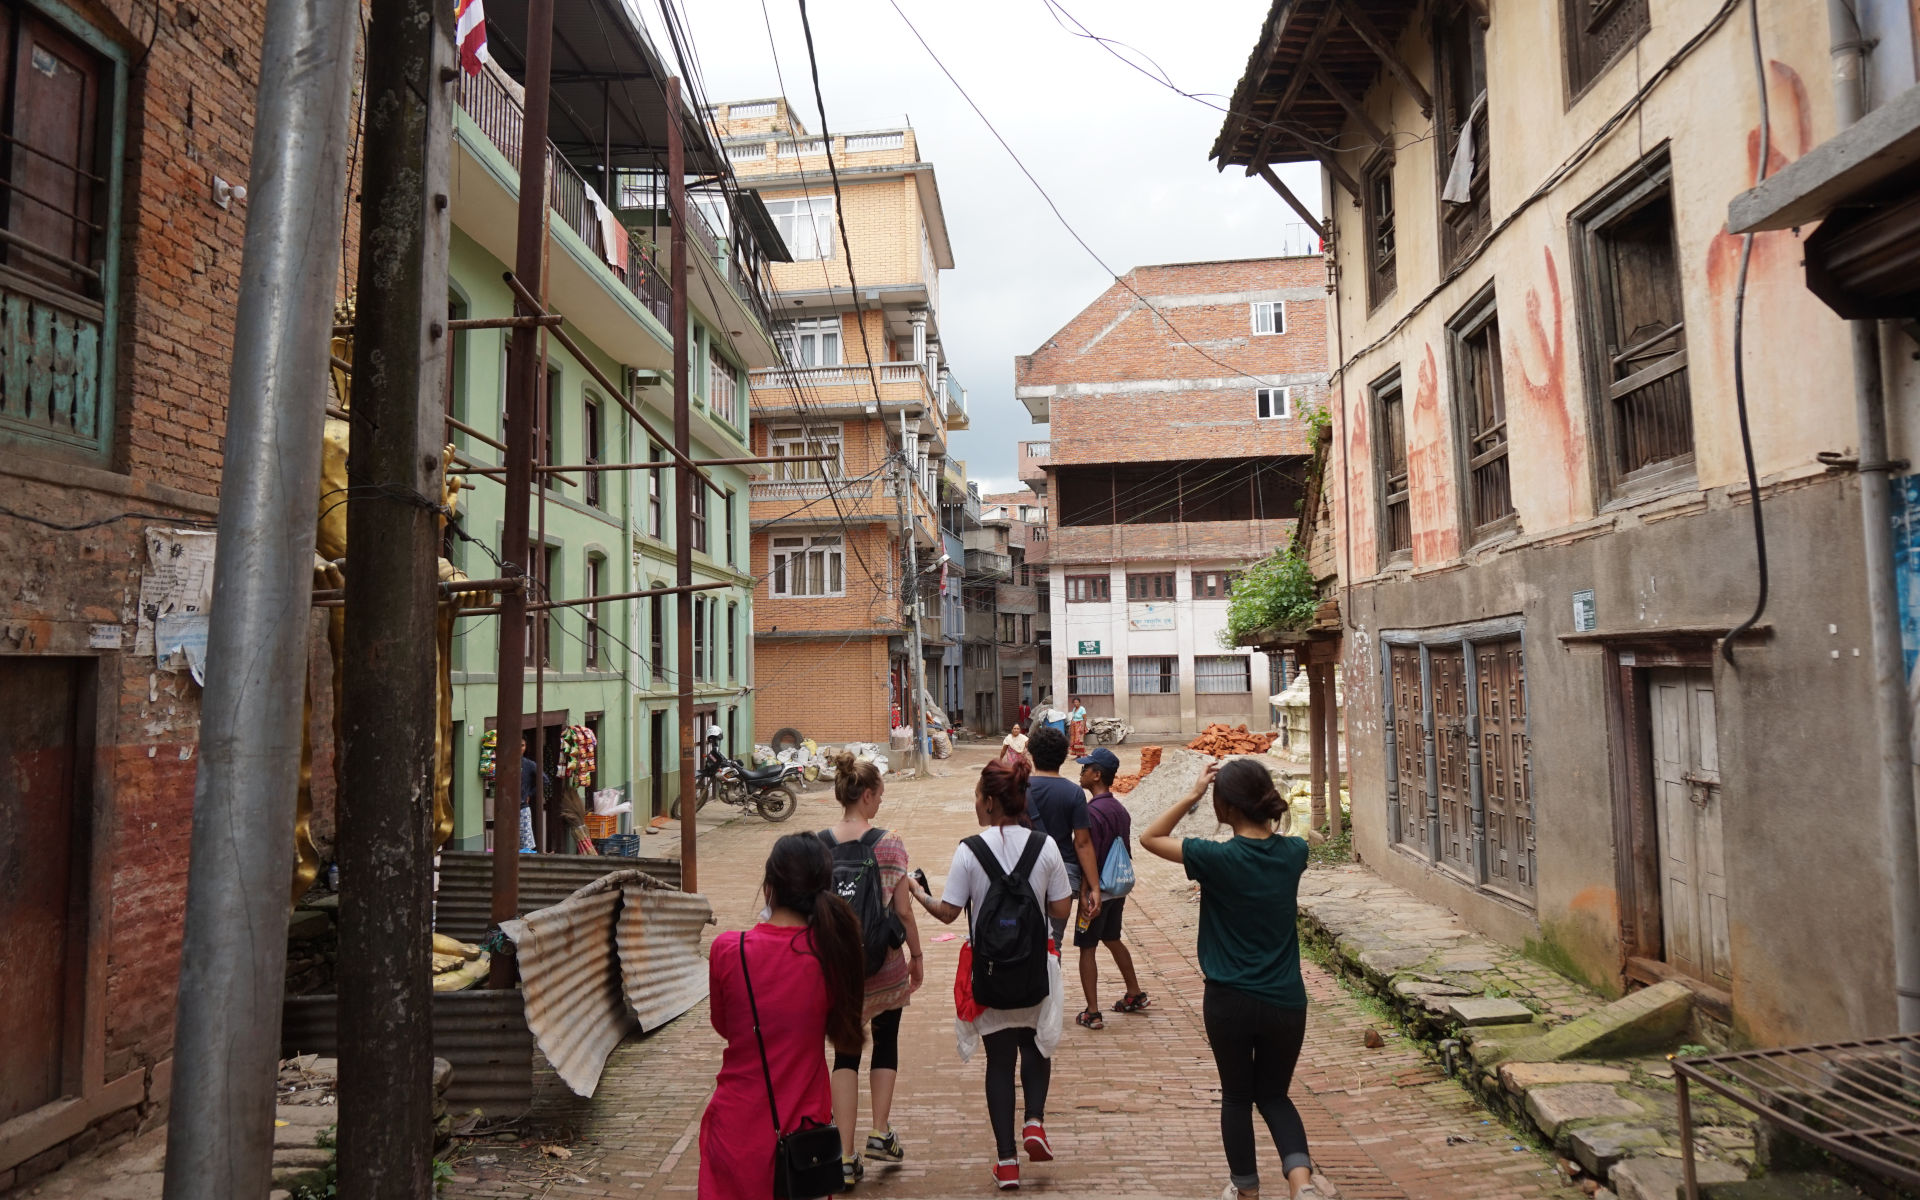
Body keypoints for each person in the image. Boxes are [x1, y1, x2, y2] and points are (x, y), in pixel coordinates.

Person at [1140, 759, 1325, 1200]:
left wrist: (1192, 795)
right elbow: (1293, 837)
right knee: (1276, 1096)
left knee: (1238, 1096)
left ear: (1226, 805)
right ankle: (1303, 1185)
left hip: (1229, 1000)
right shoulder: (1293, 854)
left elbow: (1149, 838)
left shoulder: (1214, 856)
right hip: (1285, 999)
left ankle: (1247, 1191)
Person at [909, 757, 1071, 1191]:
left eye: (978, 797)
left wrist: (918, 892)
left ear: (989, 802)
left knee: (1000, 1061)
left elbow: (948, 914)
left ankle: (1007, 1163)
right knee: (1036, 1047)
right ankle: (1034, 1120)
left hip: (991, 973)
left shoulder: (969, 850)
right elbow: (1060, 909)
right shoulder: (1046, 846)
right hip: (1035, 968)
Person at [698, 834, 867, 1200]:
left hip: (735, 1128)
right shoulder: (831, 955)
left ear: (768, 886)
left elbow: (724, 1026)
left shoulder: (729, 951)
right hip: (806, 1139)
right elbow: (845, 1030)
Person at [819, 752, 924, 1188]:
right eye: (879, 794)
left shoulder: (818, 844)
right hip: (883, 966)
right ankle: (880, 1131)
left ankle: (844, 1155)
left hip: (839, 971)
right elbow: (903, 910)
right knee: (886, 1041)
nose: (881, 802)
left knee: (845, 1053)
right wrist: (917, 958)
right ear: (866, 795)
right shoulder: (890, 842)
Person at [1072, 748, 1147, 1025]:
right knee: (1112, 937)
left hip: (1097, 891)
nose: (1081, 773)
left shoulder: (1090, 812)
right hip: (1118, 889)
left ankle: (1092, 1012)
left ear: (1097, 775)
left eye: (1085, 768)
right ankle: (1134, 992)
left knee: (1087, 947)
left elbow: (1087, 851)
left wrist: (1086, 891)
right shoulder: (1119, 809)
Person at [1023, 724, 1101, 952]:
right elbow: (1083, 842)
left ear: (1033, 755)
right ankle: (1051, 984)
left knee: (1025, 939)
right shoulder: (1073, 793)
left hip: (1025, 873)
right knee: (1053, 942)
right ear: (1064, 755)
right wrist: (1094, 887)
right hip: (1064, 873)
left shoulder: (1019, 789)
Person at [518, 736, 541, 852]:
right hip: (507, 809)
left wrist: (529, 794)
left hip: (522, 808)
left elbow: (544, 780)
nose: (520, 748)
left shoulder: (529, 764)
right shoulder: (505, 763)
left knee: (526, 843)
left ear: (525, 747)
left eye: (522, 745)